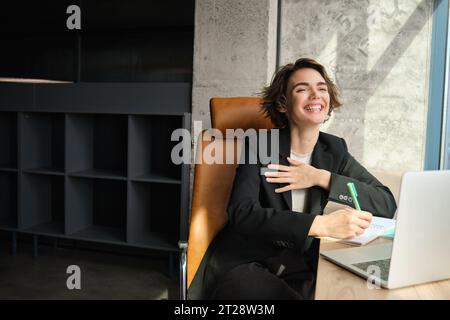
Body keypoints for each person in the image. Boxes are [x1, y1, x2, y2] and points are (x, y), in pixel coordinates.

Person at [188, 58, 397, 300]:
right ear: (282, 104)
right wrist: (320, 225)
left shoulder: (334, 149)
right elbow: (242, 213)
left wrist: (322, 177)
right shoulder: (259, 144)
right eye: (302, 89)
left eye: (321, 88)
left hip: (297, 265)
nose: (315, 94)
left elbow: (386, 202)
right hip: (246, 262)